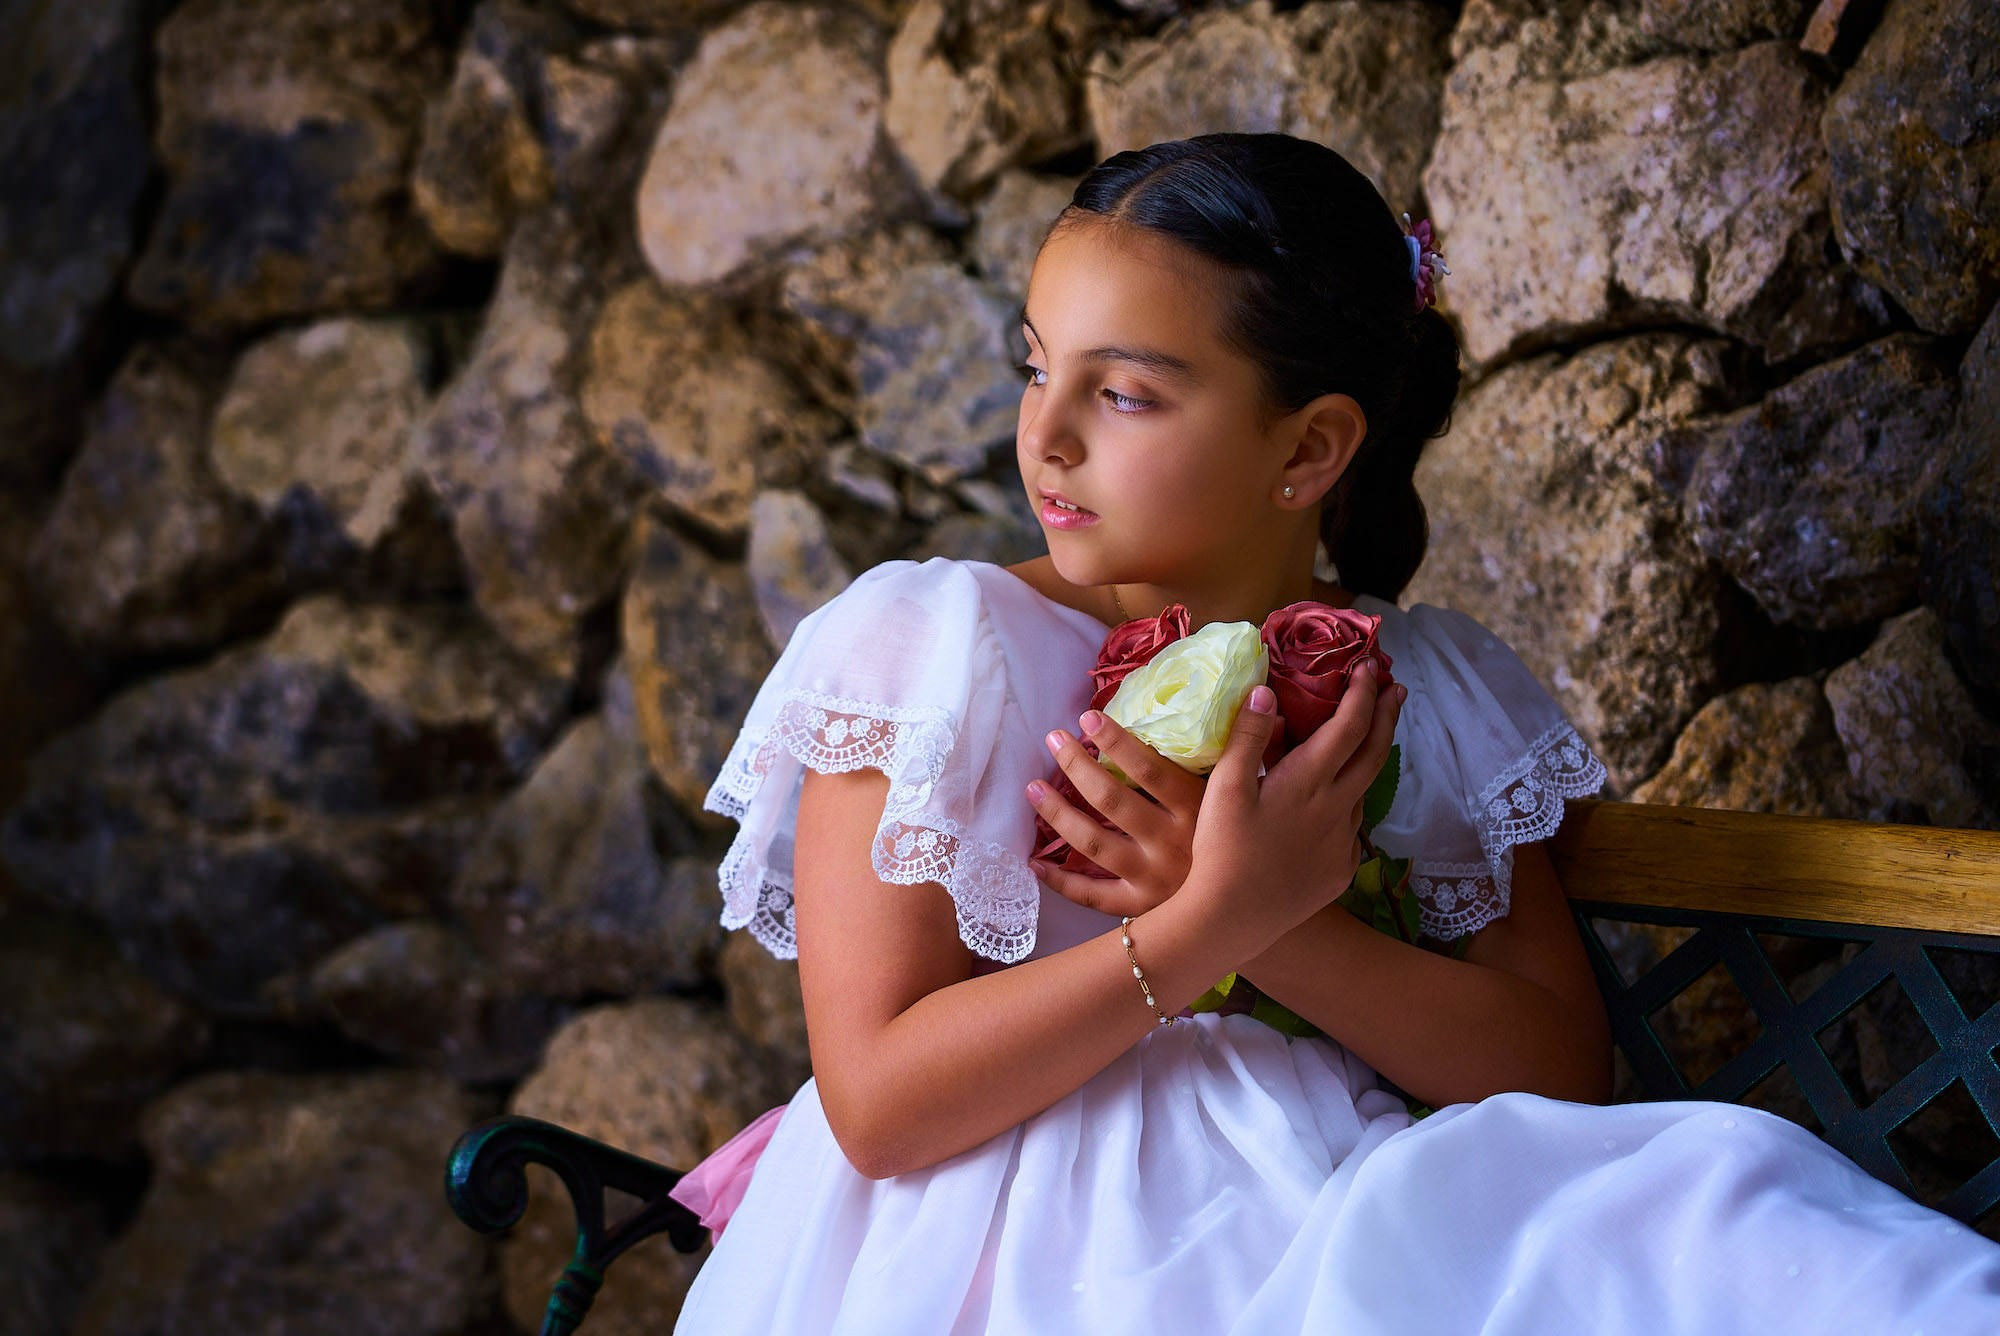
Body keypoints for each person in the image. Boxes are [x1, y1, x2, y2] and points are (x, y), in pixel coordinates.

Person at [669, 133, 2000, 1332]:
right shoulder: (936, 645)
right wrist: (1198, 927)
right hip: (1004, 1236)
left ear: (1308, 451)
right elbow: (883, 1105)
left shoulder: (1413, 684)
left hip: (1343, 1195)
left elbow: (1553, 1075)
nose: (1047, 437)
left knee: (1755, 1249)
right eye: (1037, 368)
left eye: (1123, 393)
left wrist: (1284, 924)